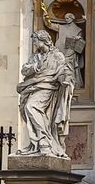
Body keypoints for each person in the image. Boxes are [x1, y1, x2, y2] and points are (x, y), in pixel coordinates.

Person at [13, 29, 76, 159]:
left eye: (35, 41)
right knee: (31, 110)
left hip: (48, 88)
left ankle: (43, 140)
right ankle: (40, 143)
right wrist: (35, 66)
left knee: (31, 107)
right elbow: (24, 69)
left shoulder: (57, 56)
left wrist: (65, 80)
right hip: (34, 86)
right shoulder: (35, 57)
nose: (34, 44)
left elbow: (64, 71)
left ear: (43, 40)